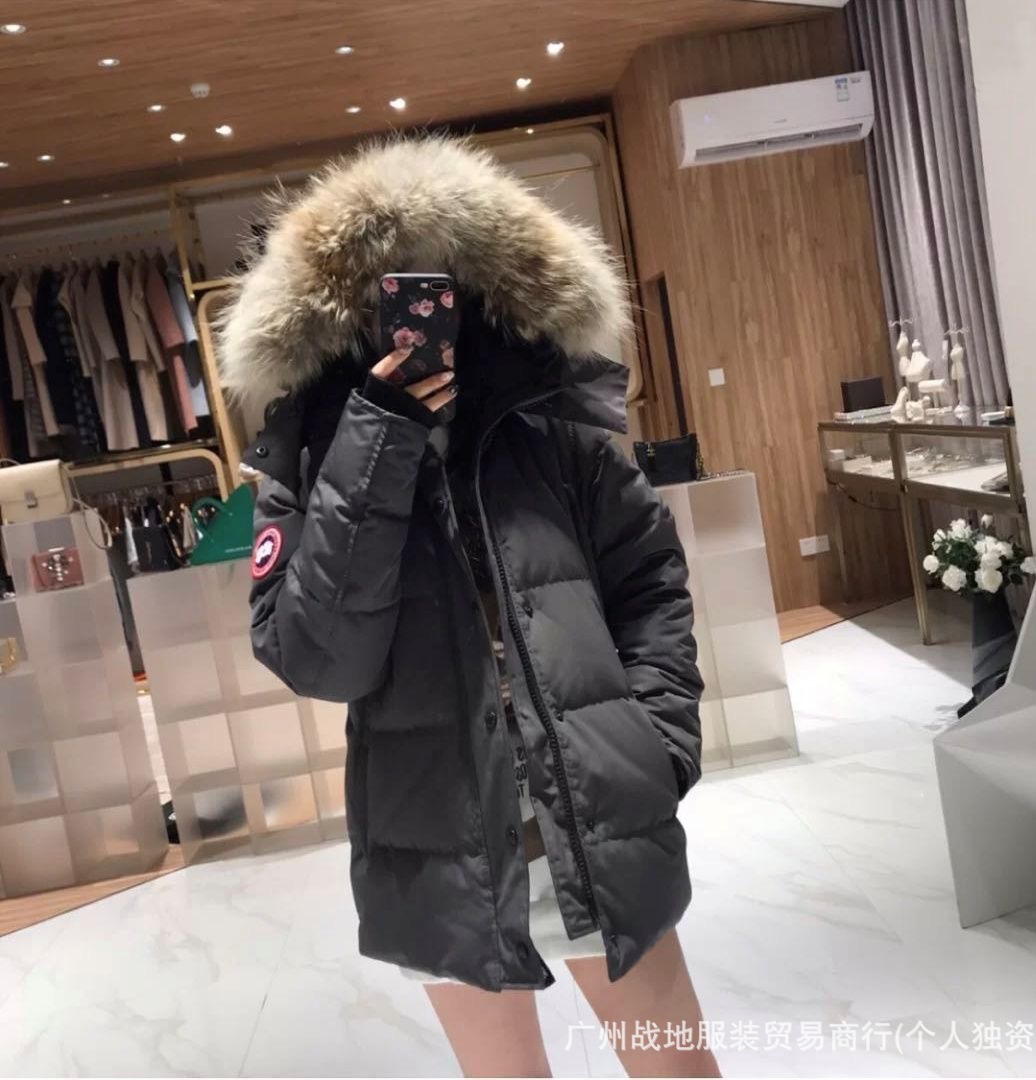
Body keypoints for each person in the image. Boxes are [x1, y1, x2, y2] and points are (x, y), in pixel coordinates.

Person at [219, 136, 718, 1078]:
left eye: (438, 289)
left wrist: (656, 745)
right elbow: (319, 659)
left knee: (678, 1071)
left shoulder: (551, 422)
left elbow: (650, 583)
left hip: (600, 814)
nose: (416, 317)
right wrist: (378, 436)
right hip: (439, 840)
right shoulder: (310, 457)